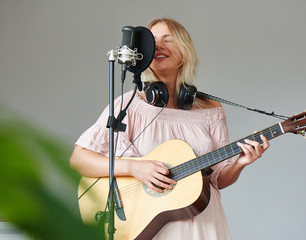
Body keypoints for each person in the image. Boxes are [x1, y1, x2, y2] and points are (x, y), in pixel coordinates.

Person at [70, 17, 270, 239]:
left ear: (184, 51)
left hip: (202, 222)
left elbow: (218, 179)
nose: (159, 46)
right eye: (152, 41)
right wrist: (134, 168)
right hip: (148, 225)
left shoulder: (211, 111)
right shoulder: (129, 106)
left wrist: (241, 162)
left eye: (168, 39)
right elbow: (79, 159)